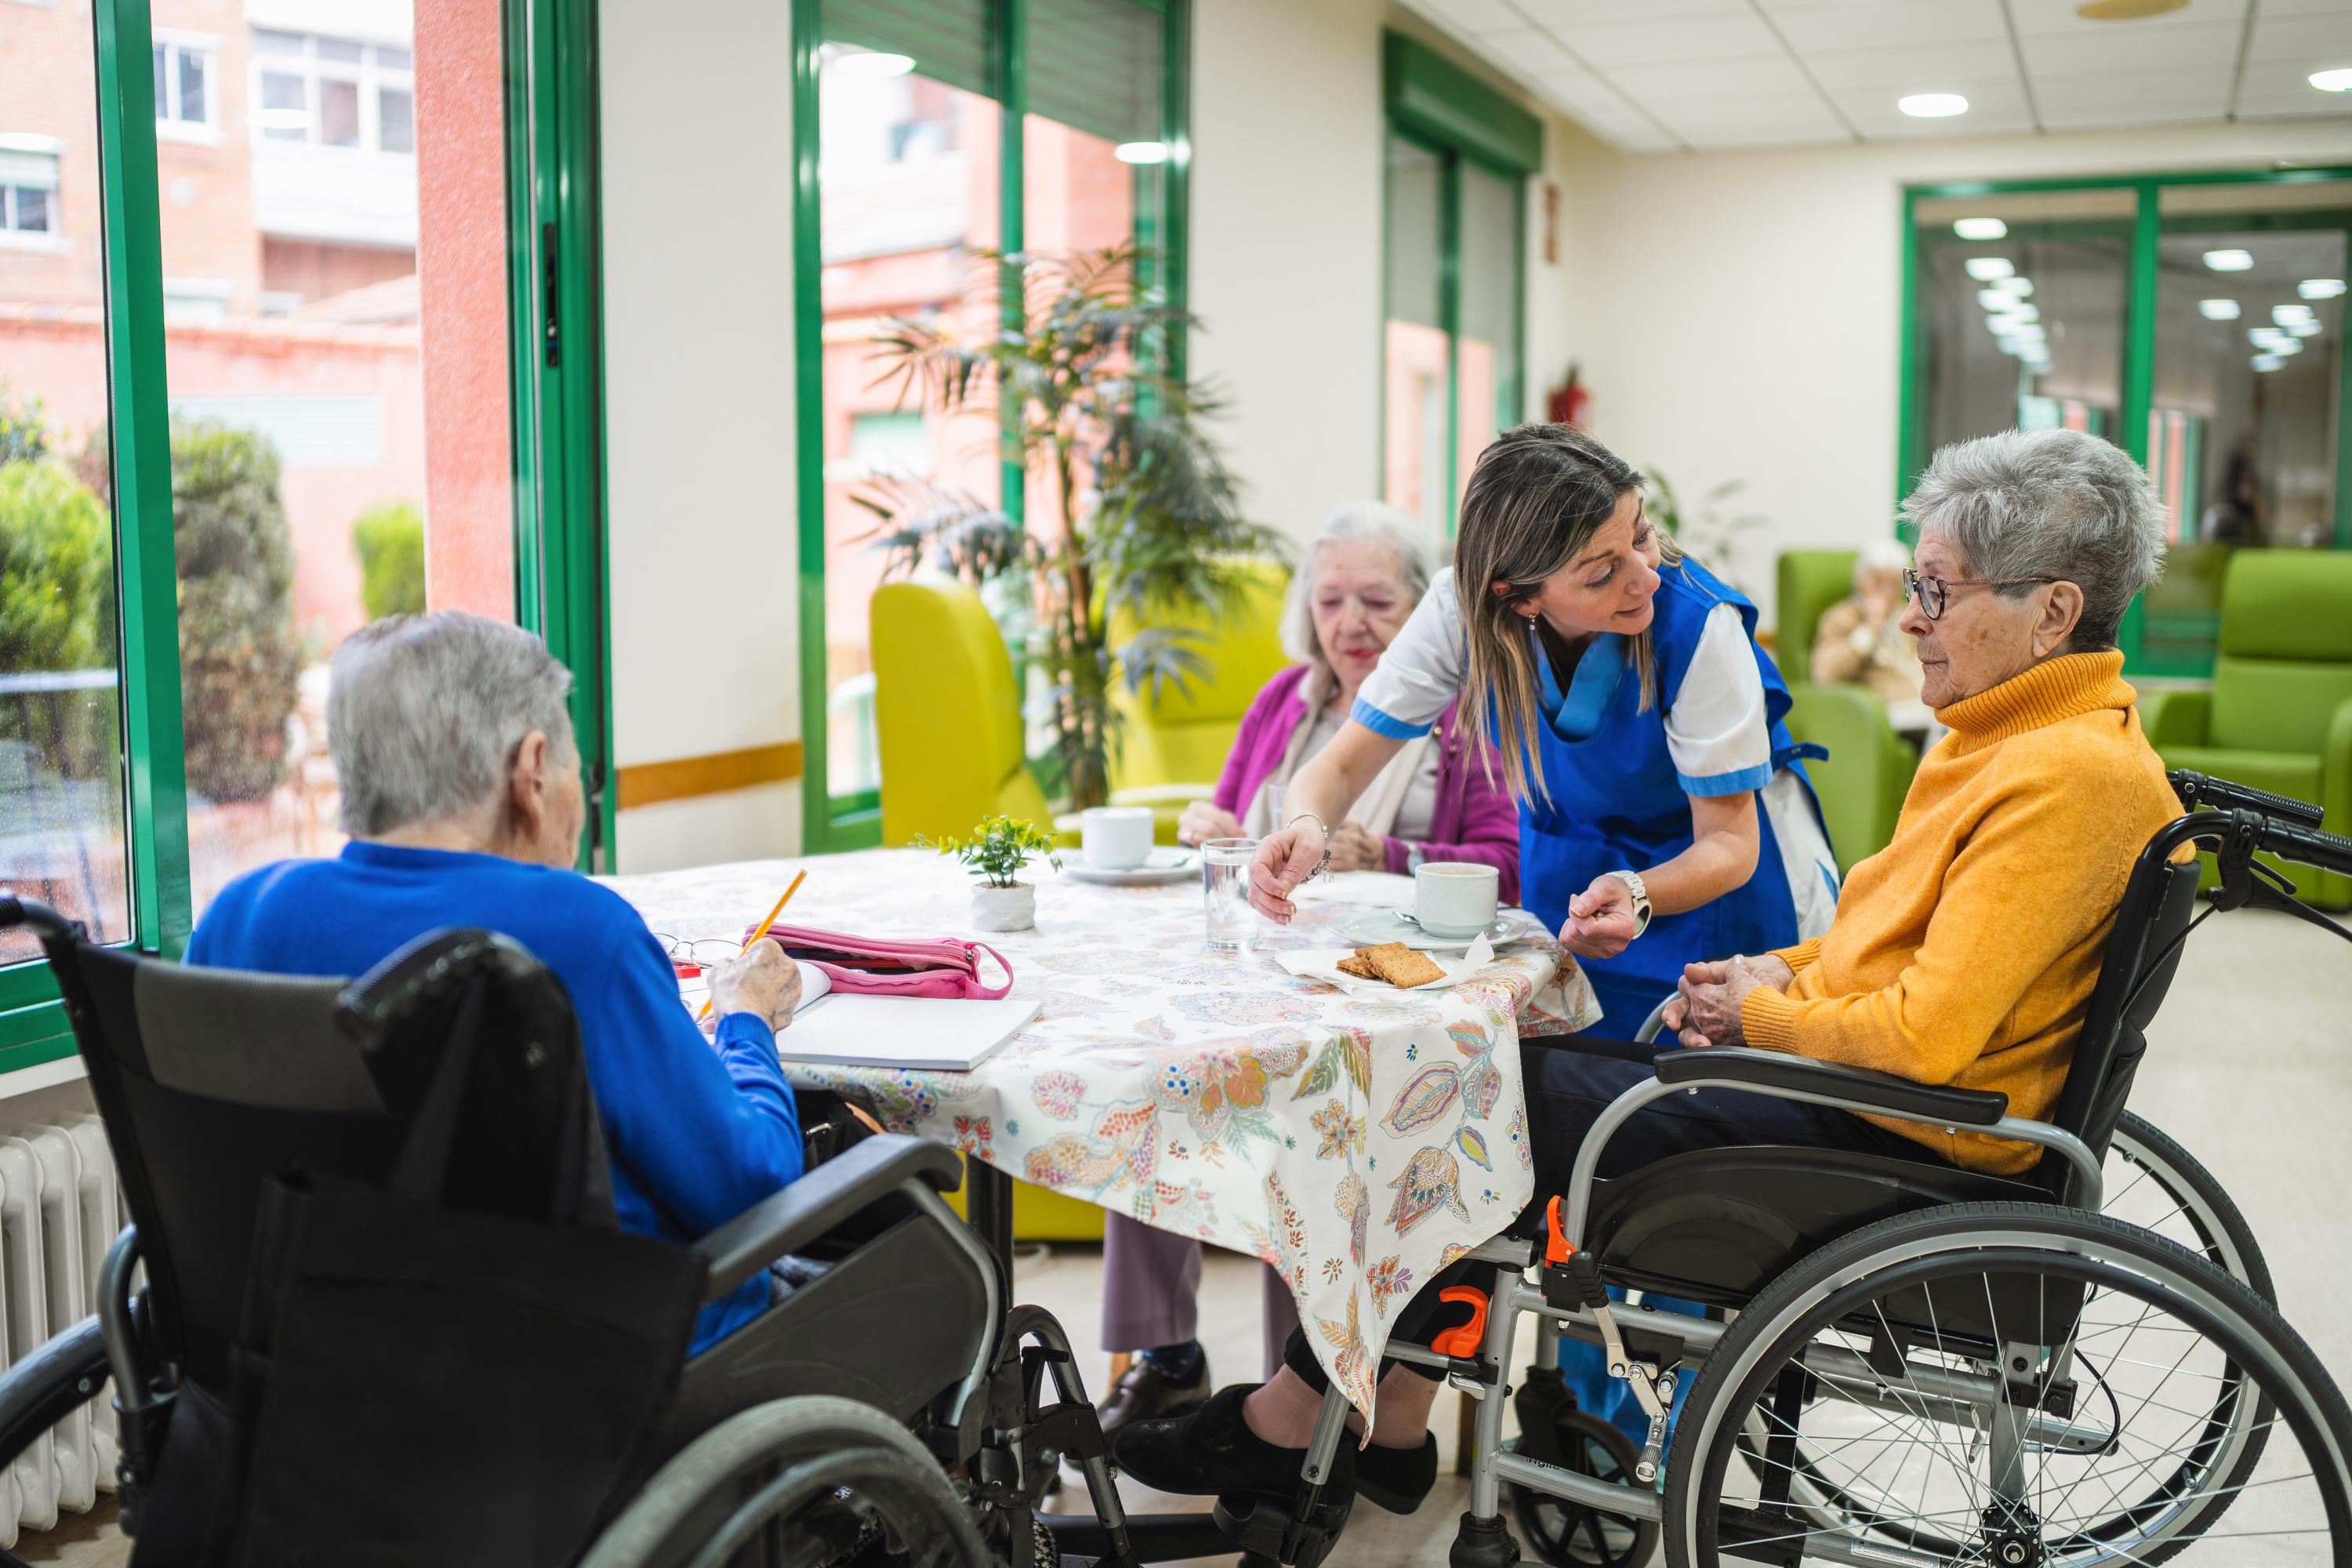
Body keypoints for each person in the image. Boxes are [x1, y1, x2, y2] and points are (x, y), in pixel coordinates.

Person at [1112, 426, 2179, 1519]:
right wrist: (1773, 974)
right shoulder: (2004, 738)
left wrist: (1760, 1011)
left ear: (2052, 612)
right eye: (1919, 584)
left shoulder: (2061, 778)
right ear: (1516, 591)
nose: (1909, 615)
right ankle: (1369, 1421)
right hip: (1839, 1070)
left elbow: (1922, 1037)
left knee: (1458, 1100)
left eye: (1938, 591)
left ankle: (1304, 1420)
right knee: (1473, 1084)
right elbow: (1882, 948)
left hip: (1891, 1125)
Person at [185, 612, 808, 1355]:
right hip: (580, 1380)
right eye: (581, 767)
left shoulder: (240, 918)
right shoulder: (582, 935)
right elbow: (753, 1187)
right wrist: (747, 1018)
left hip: (323, 1372)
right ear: (533, 769)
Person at [1098, 503, 1519, 1443]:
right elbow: (1226, 811)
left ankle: (1315, 1399)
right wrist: (1210, 826)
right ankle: (1166, 1357)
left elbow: (1506, 862)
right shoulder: (1287, 696)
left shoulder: (1464, 713)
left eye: (1378, 599)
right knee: (1145, 1082)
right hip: (1260, 959)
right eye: (1331, 598)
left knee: (1306, 1134)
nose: (1351, 621)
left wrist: (1396, 848)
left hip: (1377, 986)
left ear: (1424, 610)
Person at [1811, 535, 1927, 713]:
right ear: (1860, 581)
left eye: (1894, 584)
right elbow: (1825, 674)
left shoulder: (1906, 614)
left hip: (1922, 710)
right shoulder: (1841, 617)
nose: (1887, 592)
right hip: (1880, 716)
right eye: (1879, 582)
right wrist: (1871, 627)